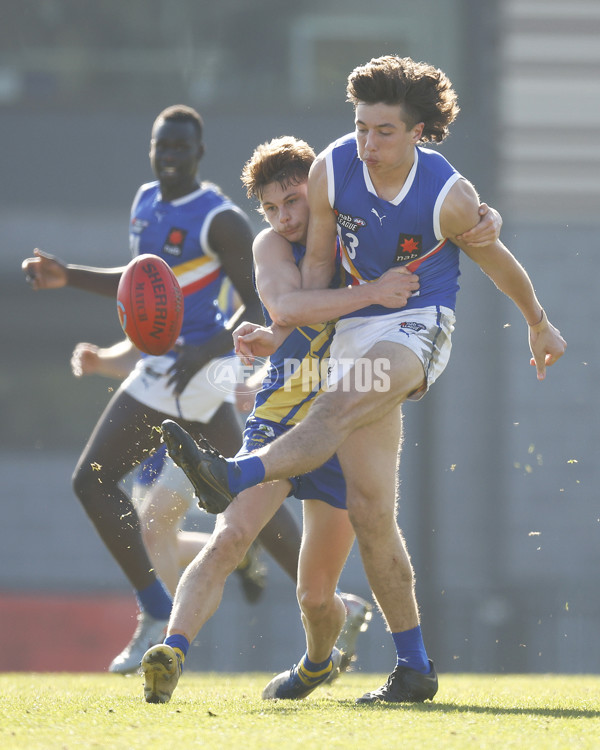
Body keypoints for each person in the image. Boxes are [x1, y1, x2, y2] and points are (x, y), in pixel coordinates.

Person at [157, 55, 566, 706]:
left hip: (417, 325)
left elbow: (498, 261)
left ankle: (230, 475)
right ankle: (414, 669)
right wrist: (278, 335)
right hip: (354, 332)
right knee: (374, 512)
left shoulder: (449, 194)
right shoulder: (332, 167)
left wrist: (539, 323)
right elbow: (317, 274)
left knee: (331, 415)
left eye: (383, 131)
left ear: (418, 133)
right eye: (360, 127)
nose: (367, 143)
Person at [21, 104, 302, 674]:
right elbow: (139, 291)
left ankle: (321, 600)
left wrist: (210, 346)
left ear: (199, 153)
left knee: (233, 496)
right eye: (161, 146)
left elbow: (258, 302)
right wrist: (67, 275)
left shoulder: (219, 219)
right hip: (158, 373)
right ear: (152, 149)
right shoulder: (145, 202)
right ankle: (163, 607)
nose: (169, 156)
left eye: (180, 148)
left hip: (200, 376)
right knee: (103, 483)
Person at [70, 336, 267, 603]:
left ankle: (166, 635)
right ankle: (239, 554)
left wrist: (251, 387)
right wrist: (102, 361)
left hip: (195, 427)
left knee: (153, 528)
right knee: (154, 540)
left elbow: (276, 333)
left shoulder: (219, 297)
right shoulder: (152, 297)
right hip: (154, 433)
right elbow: (142, 360)